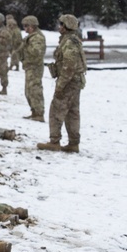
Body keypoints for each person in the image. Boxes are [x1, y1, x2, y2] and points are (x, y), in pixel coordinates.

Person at [37, 14, 86, 153]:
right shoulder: (71, 40)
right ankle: (73, 143)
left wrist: (60, 85)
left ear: (66, 26)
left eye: (61, 24)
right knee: (72, 112)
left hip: (69, 82)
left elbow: (69, 67)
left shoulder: (69, 42)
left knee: (56, 110)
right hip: (74, 82)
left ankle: (54, 141)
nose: (59, 27)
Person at [21, 15, 47, 122]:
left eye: (26, 26)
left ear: (32, 26)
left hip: (35, 67)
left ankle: (39, 113)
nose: (25, 28)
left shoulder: (37, 38)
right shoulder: (32, 37)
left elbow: (37, 52)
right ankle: (34, 111)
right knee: (28, 91)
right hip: (30, 66)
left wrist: (26, 45)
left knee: (35, 90)